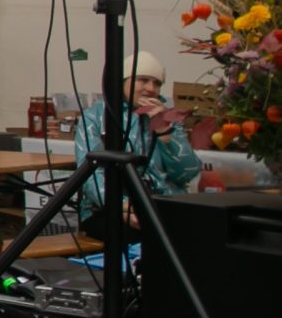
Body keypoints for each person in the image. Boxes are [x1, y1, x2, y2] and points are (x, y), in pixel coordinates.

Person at [71, 49, 203, 239]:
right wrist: (122, 206)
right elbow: (92, 175)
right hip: (108, 208)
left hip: (161, 203)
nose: (150, 88)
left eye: (157, 83)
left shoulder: (167, 117)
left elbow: (187, 173)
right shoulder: (95, 117)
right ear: (123, 81)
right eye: (143, 80)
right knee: (143, 234)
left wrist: (165, 132)